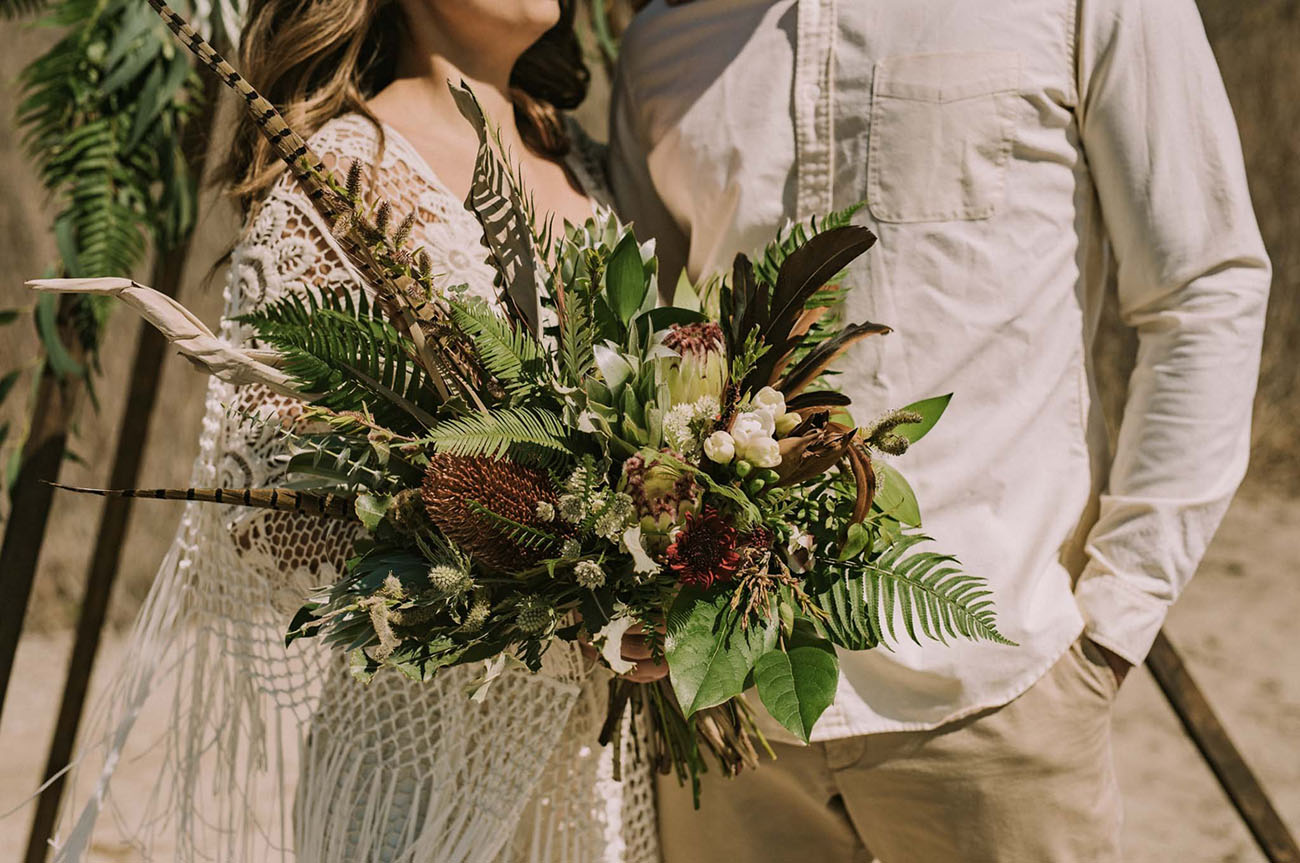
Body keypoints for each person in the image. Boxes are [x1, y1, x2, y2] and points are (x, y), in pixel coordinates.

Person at [610, 0, 1271, 860]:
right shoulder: (667, 37)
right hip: (733, 707)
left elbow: (1204, 287)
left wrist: (1114, 621)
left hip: (998, 694)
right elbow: (641, 348)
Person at [53, 2, 658, 861]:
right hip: (421, 765)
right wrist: (520, 574)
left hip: (601, 778)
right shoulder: (342, 172)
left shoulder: (589, 164)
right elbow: (267, 487)